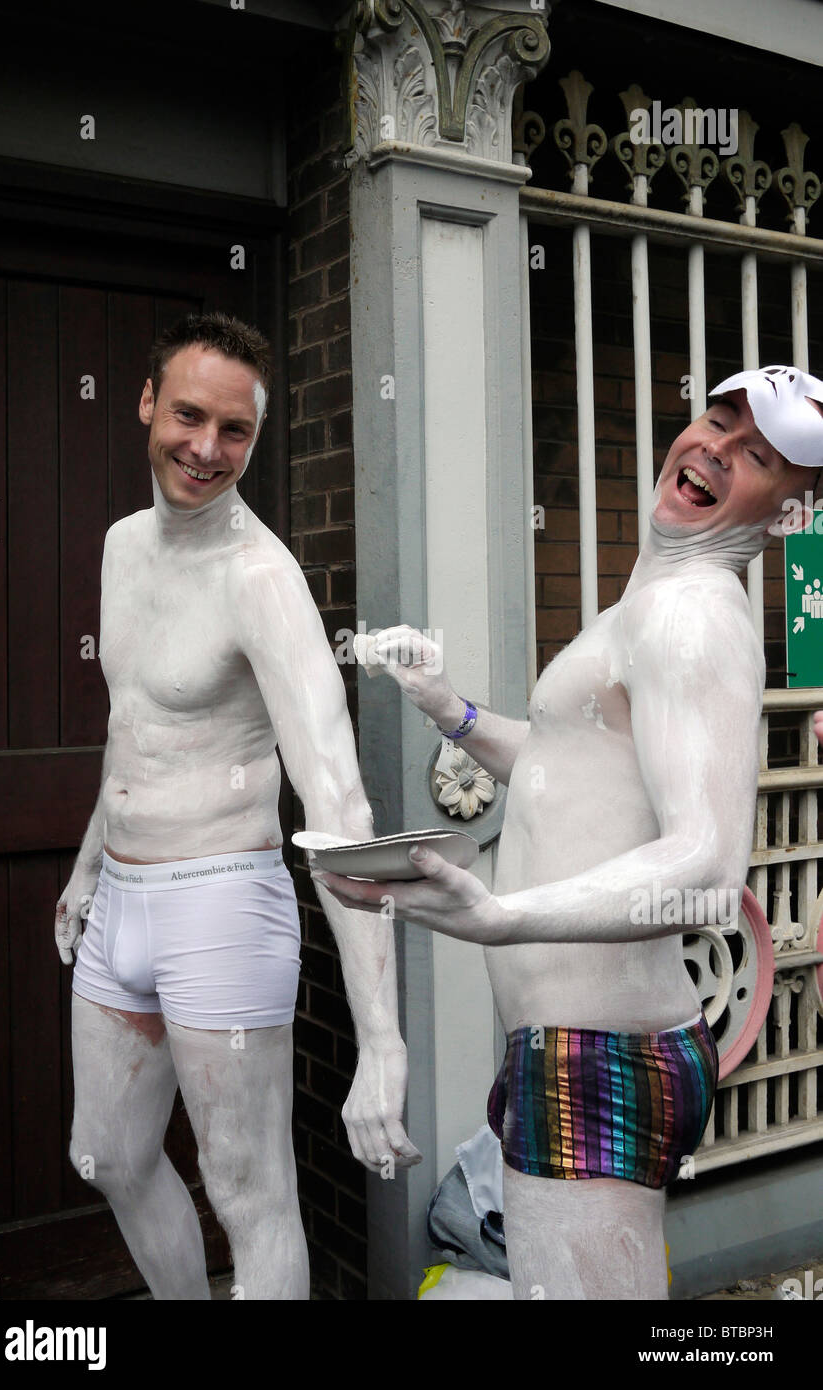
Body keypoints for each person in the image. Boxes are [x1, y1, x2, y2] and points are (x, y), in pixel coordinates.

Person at [315, 365, 823, 1300]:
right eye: (717, 420)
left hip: (598, 1054)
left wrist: (501, 916)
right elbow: (565, 764)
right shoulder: (649, 602)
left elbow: (706, 871)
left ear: (788, 517)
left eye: (756, 455)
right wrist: (450, 709)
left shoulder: (689, 617)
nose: (715, 446)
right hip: (572, 1045)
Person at [54, 312, 419, 1301]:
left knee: (249, 1195)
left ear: (255, 437)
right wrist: (90, 865)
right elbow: (136, 726)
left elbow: (339, 798)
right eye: (188, 416)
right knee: (108, 1154)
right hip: (120, 897)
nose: (206, 449)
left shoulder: (262, 580)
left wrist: (380, 1038)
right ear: (146, 405)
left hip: (222, 900)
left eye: (234, 431)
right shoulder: (122, 547)